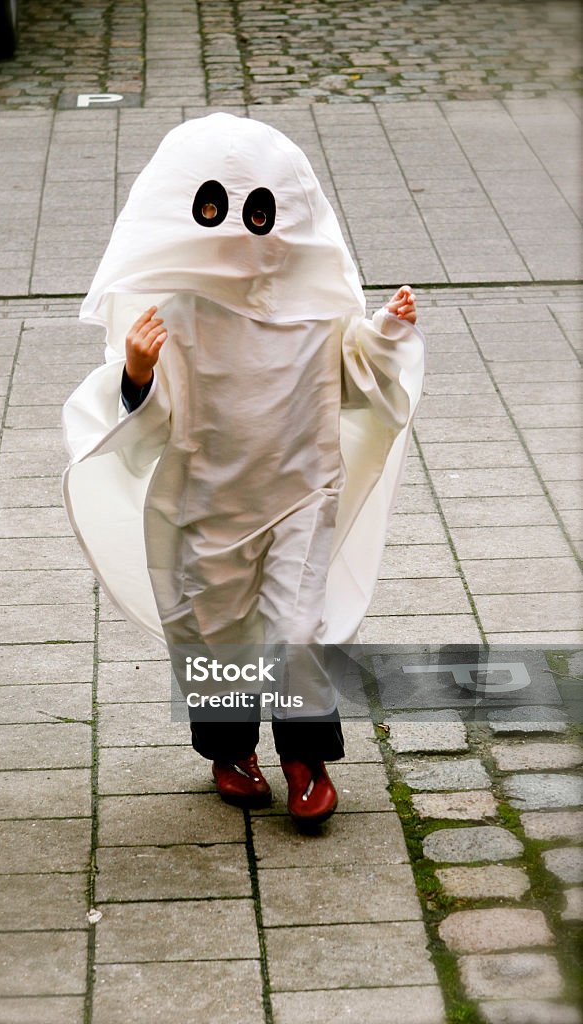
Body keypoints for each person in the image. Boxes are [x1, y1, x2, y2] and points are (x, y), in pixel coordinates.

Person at [62, 113, 425, 828]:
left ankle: (305, 757)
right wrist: (137, 372)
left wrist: (383, 336)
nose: (234, 229)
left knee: (296, 627)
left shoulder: (316, 302)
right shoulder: (177, 306)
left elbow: (353, 377)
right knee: (216, 627)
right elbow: (149, 411)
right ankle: (231, 750)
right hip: (208, 498)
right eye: (211, 210)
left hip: (299, 488)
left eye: (257, 211)